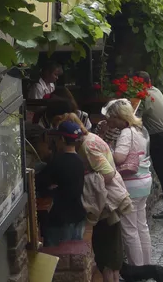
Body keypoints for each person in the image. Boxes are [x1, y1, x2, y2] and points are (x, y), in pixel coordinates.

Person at [55, 113, 126, 282]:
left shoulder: (88, 146)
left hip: (107, 203)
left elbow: (108, 174)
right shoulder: (89, 138)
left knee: (107, 254)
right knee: (110, 254)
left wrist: (84, 178)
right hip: (107, 201)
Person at [103, 99, 154, 266]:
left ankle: (137, 269)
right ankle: (146, 265)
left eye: (111, 118)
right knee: (141, 226)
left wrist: (108, 147)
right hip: (144, 181)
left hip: (131, 184)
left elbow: (119, 158)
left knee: (130, 229)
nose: (110, 121)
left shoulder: (126, 133)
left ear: (120, 117)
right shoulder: (140, 129)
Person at [38, 120, 86, 247]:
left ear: (62, 139)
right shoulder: (80, 161)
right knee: (75, 253)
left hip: (60, 218)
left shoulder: (57, 162)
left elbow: (39, 182)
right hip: (78, 214)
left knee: (58, 256)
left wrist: (50, 190)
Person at [136, 72, 163, 219]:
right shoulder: (156, 90)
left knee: (162, 170)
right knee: (162, 169)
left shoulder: (145, 96)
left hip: (158, 137)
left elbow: (136, 117)